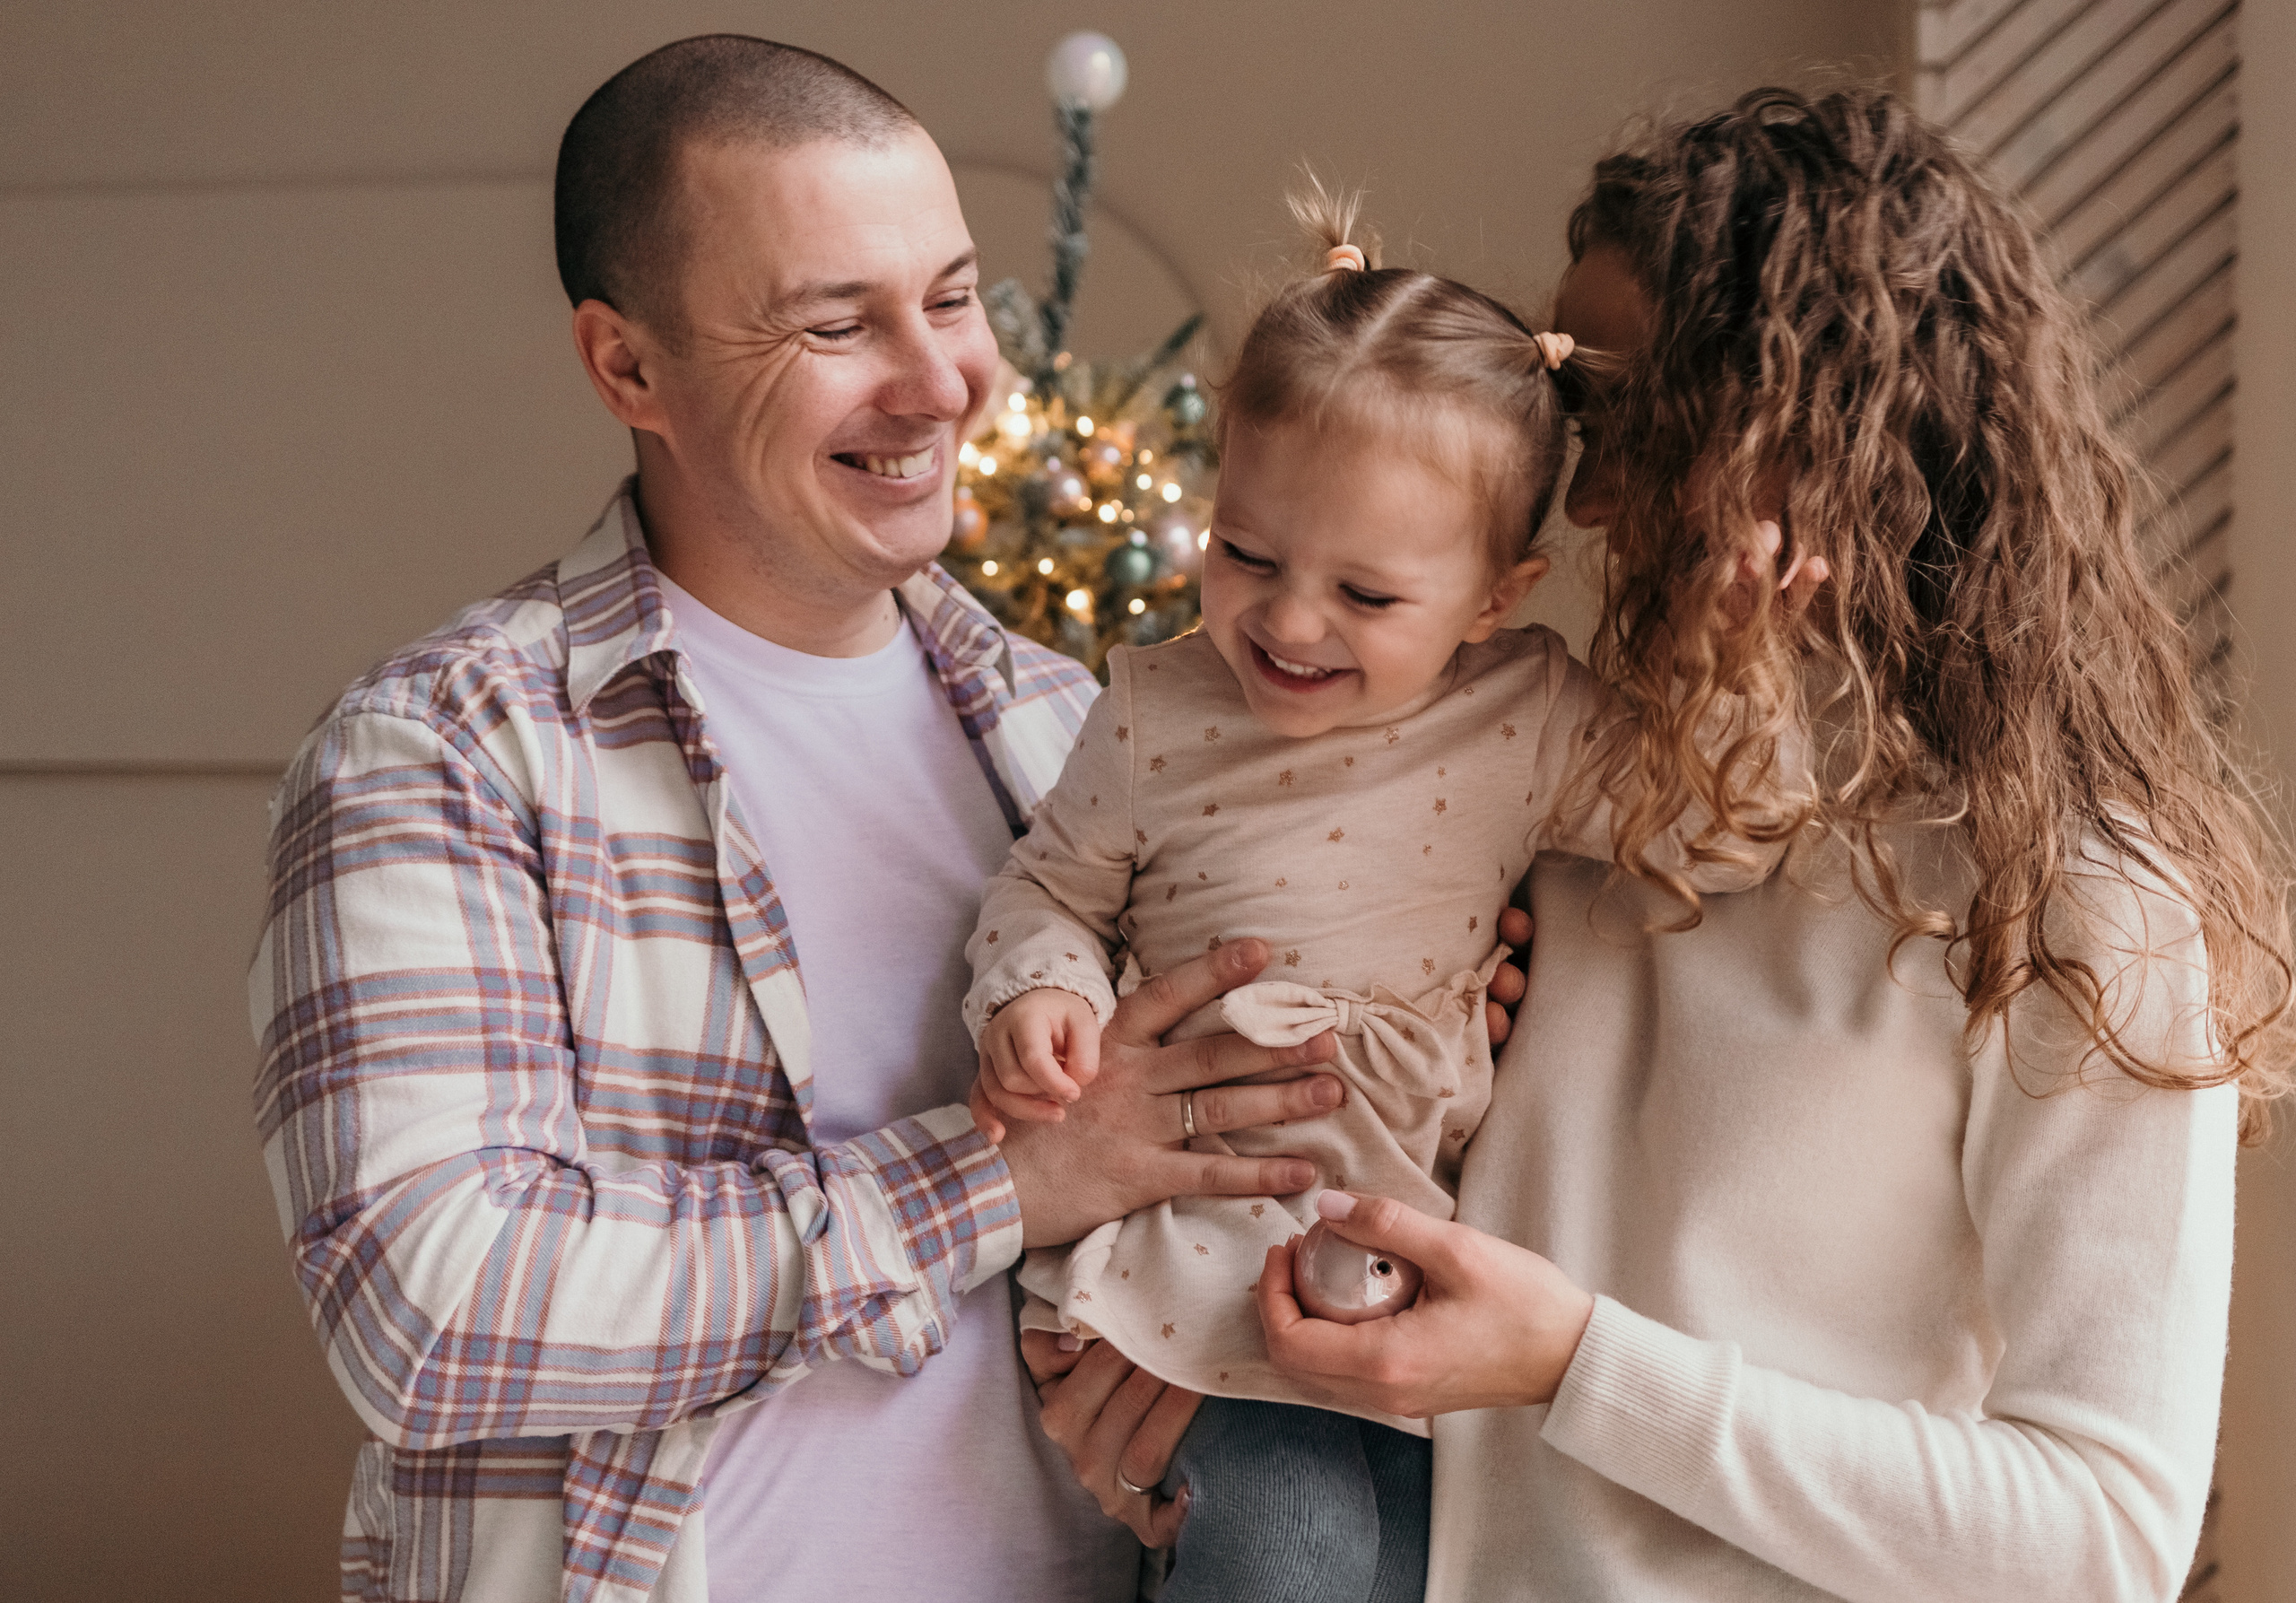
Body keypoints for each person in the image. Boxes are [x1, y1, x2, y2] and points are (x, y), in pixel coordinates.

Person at [1031, 86, 2292, 1602]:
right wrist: (1170, 1412)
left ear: (1803, 440)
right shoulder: (1558, 807)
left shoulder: (2086, 911)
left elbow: (2102, 1543)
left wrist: (1574, 1362)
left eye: (1617, 416)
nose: (1585, 487)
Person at [247, 35, 1366, 1603]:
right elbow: (434, 1313)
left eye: (956, 296)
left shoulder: (1079, 732)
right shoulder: (450, 753)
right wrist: (997, 1182)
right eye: (838, 324)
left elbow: (1211, 1180)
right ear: (628, 368)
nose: (942, 382)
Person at [964, 185, 1817, 1603]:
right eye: (1246, 555)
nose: (1288, 621)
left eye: (1366, 596)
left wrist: (1752, 648)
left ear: (1496, 596)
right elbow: (1046, 886)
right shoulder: (1158, 710)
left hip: (1404, 1259)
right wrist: (1044, 986)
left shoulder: (1526, 716)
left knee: (1413, 1564)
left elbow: (1721, 834)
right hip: (1201, 1251)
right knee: (1285, 1558)